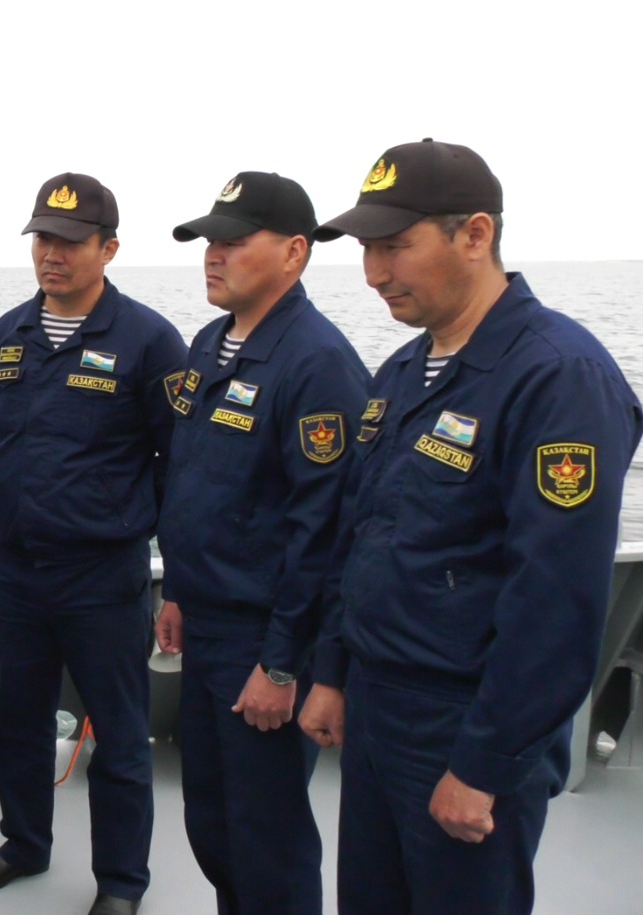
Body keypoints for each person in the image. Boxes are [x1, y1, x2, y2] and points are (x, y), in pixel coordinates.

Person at [297, 138, 643, 915]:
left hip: (463, 722)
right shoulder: (400, 373)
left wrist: (484, 764)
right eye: (365, 250)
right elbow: (359, 534)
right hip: (376, 706)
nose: (373, 272)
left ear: (475, 234)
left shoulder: (557, 375)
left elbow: (555, 598)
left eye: (394, 246)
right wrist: (331, 672)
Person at [0, 173, 187, 915]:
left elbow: (177, 460)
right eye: (42, 239)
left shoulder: (149, 340)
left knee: (118, 737)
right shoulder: (10, 332)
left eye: (70, 242)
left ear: (108, 249)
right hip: (19, 570)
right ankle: (24, 845)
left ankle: (120, 882)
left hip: (103, 576)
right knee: (17, 723)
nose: (51, 254)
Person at [155, 172, 369, 915]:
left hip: (267, 640)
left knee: (266, 837)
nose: (213, 255)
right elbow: (194, 481)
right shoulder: (209, 345)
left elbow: (326, 531)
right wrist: (177, 591)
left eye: (234, 241)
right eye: (208, 241)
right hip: (207, 626)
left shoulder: (317, 363)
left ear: (294, 252)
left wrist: (282, 662)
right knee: (213, 823)